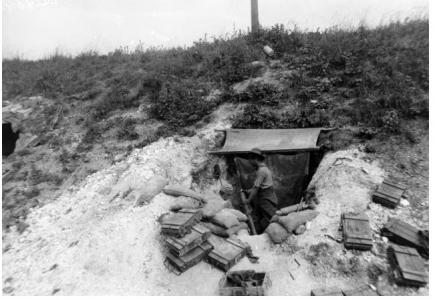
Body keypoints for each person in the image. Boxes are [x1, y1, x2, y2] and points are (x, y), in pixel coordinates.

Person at [243, 148, 278, 232]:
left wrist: (248, 200)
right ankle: (259, 234)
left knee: (269, 218)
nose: (250, 162)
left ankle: (271, 234)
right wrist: (249, 191)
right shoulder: (263, 169)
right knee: (258, 216)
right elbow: (260, 186)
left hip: (266, 198)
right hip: (264, 196)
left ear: (255, 159)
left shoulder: (261, 171)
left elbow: (256, 188)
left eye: (250, 160)